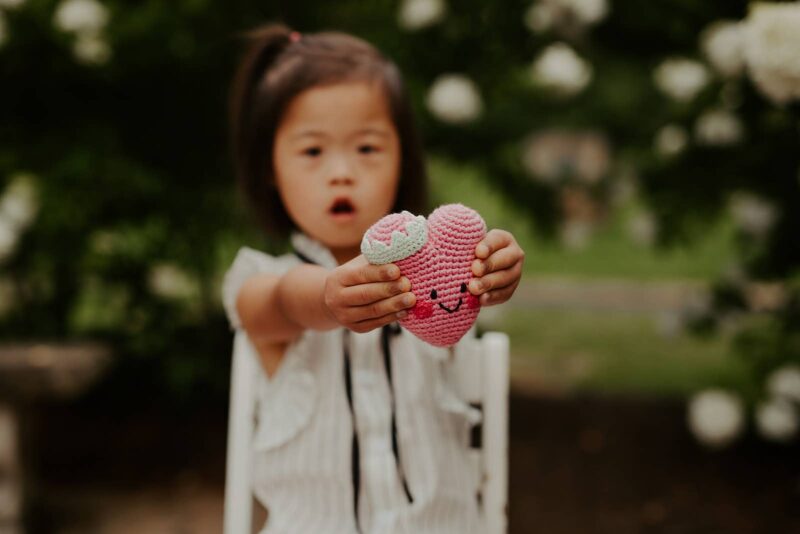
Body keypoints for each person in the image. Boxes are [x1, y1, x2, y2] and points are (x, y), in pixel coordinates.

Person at [222, 23, 525, 534]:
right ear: (270, 167)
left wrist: (493, 269)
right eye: (312, 151)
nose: (342, 172)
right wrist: (325, 296)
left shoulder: (442, 269)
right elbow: (279, 304)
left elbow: (471, 285)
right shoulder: (259, 279)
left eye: (367, 148)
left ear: (401, 158)